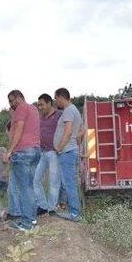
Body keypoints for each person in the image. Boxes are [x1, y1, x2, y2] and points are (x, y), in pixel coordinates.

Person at [2, 90, 41, 231]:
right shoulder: (33, 109)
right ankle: (31, 220)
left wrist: (10, 151)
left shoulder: (21, 108)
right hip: (35, 150)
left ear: (20, 97)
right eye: (10, 102)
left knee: (24, 189)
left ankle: (27, 223)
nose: (12, 104)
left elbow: (18, 130)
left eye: (13, 100)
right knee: (29, 187)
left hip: (23, 152)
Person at [53, 88, 83, 221]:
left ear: (61, 97)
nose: (56, 102)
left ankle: (75, 213)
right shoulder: (74, 110)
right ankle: (75, 211)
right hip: (70, 150)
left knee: (69, 183)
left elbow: (69, 131)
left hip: (67, 152)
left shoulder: (68, 110)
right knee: (70, 183)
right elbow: (82, 131)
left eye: (56, 99)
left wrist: (59, 148)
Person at [34, 93, 63, 216]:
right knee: (36, 180)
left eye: (41, 104)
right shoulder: (41, 118)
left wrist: (60, 147)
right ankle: (43, 206)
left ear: (49, 103)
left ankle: (52, 208)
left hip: (54, 152)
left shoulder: (58, 115)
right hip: (43, 152)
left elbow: (67, 130)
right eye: (38, 105)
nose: (39, 107)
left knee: (53, 181)